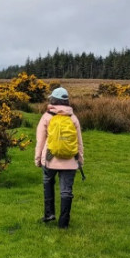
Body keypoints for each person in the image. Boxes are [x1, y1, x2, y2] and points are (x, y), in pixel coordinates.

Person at [34, 86, 84, 228]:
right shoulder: (73, 118)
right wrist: (80, 160)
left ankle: (49, 214)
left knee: (48, 182)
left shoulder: (47, 117)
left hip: (50, 160)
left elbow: (40, 141)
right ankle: (63, 223)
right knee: (66, 190)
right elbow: (79, 142)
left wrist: (38, 159)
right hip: (70, 161)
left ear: (53, 100)